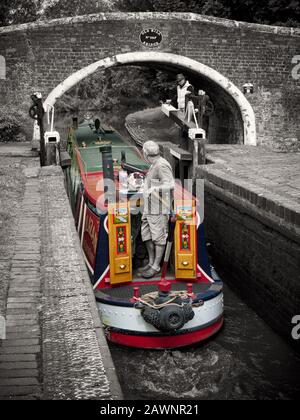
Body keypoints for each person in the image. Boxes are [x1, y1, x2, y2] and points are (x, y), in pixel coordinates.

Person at [140, 141, 175, 279]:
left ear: (145, 153)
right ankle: (151, 261)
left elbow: (171, 184)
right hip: (149, 207)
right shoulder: (154, 164)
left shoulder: (162, 165)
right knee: (146, 234)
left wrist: (154, 188)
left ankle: (156, 266)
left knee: (159, 238)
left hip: (159, 208)